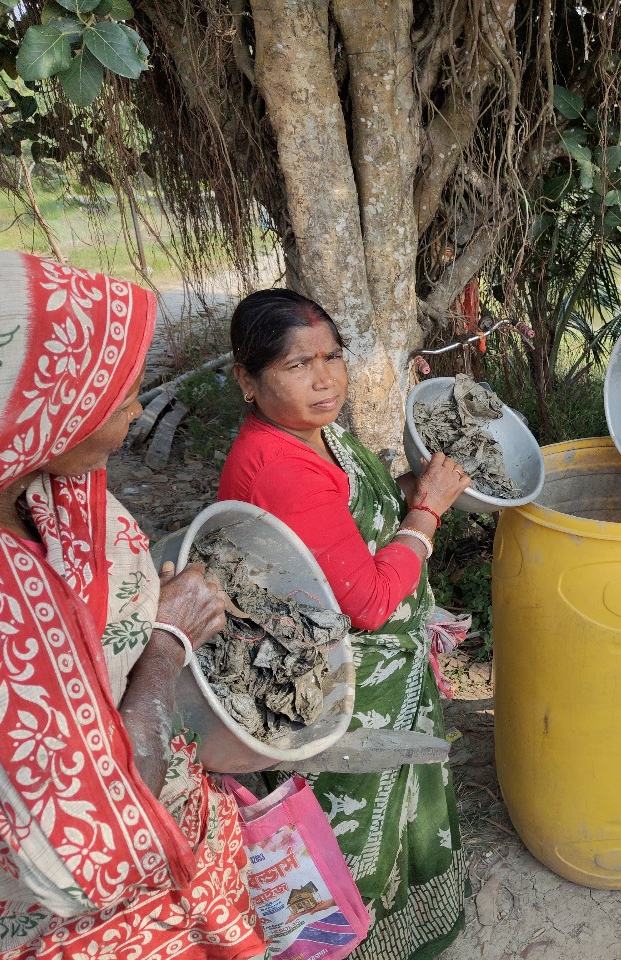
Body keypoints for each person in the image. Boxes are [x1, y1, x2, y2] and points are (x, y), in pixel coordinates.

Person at [0, 251, 265, 959]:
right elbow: (88, 816)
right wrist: (164, 646)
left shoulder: (38, 486)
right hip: (72, 918)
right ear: (36, 407)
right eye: (114, 396)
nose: (138, 410)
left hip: (175, 831)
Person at [218, 289, 469, 960]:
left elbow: (351, 528)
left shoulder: (310, 431)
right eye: (299, 365)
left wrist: (406, 496)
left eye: (332, 358)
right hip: (340, 687)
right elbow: (371, 602)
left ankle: (406, 927)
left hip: (382, 674)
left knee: (399, 816)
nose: (325, 379)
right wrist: (431, 512)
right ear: (247, 379)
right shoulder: (281, 465)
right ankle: (358, 944)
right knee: (355, 829)